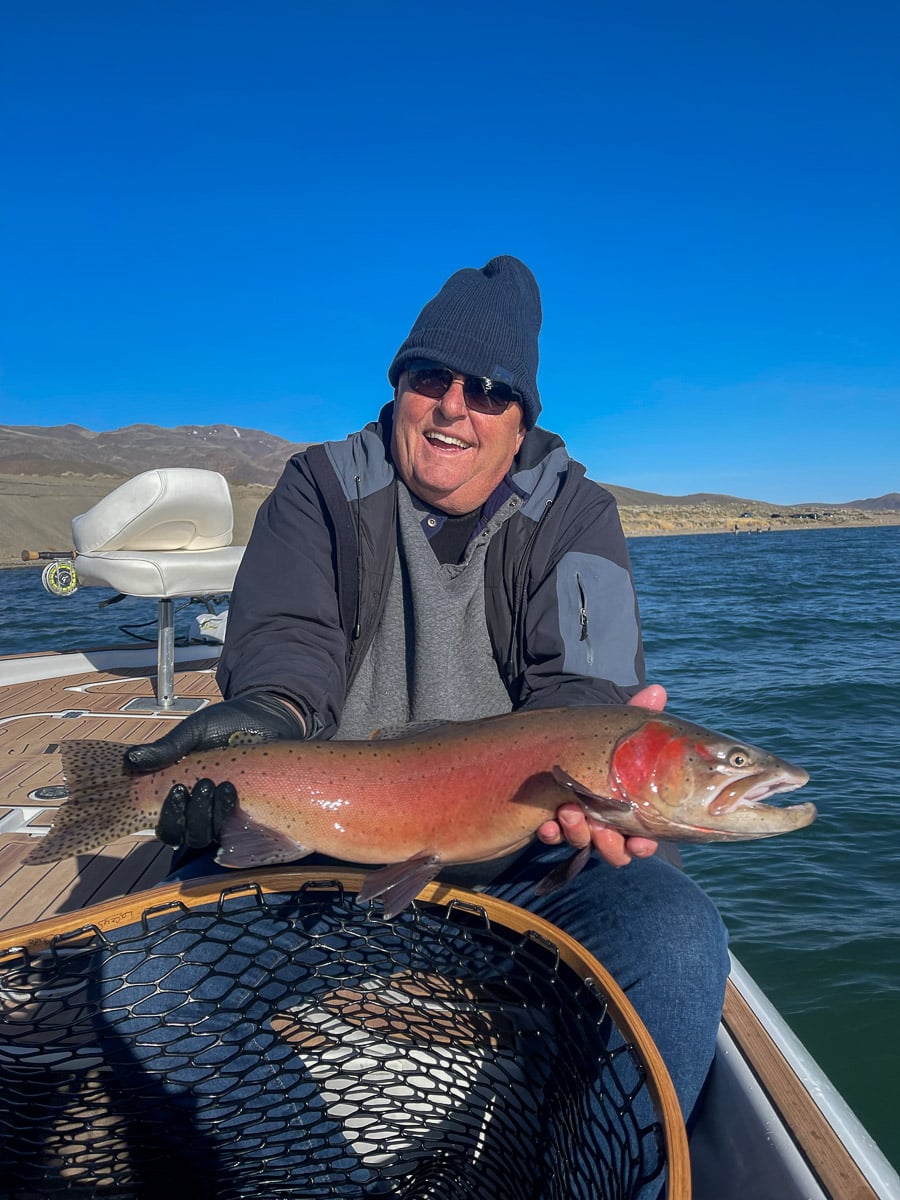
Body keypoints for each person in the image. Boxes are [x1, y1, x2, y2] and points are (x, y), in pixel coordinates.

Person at [125, 255, 729, 1136]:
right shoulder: (320, 488)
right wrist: (266, 718)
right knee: (150, 988)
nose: (455, 405)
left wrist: (588, 786)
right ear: (399, 386)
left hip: (528, 865)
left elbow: (582, 690)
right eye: (429, 376)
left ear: (522, 420)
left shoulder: (577, 515)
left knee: (674, 938)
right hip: (319, 853)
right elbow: (290, 642)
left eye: (489, 390)